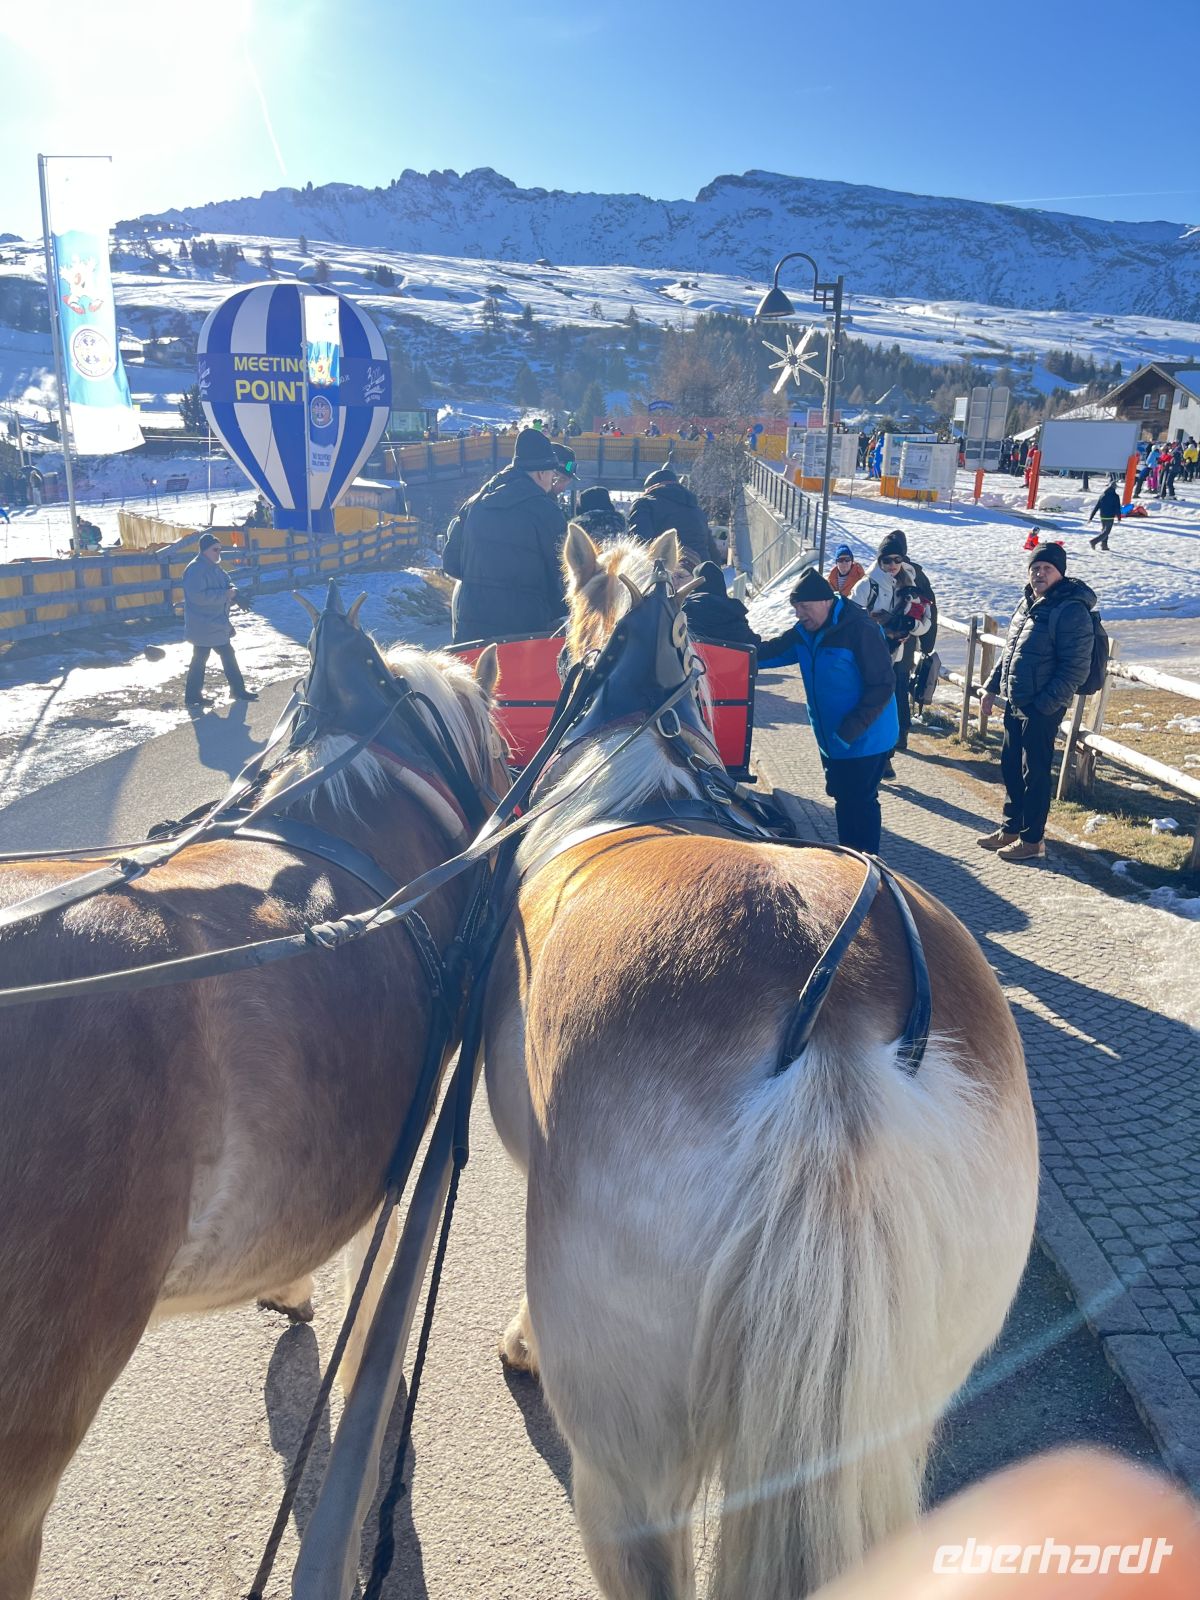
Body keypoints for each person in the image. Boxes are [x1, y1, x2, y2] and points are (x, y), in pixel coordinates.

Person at [757, 568, 898, 853]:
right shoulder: (803, 634)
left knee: (860, 801)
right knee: (843, 797)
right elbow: (766, 653)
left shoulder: (860, 629)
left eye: (805, 608)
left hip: (865, 737)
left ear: (826, 601)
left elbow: (882, 685)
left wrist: (850, 729)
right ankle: (850, 856)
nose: (800, 614)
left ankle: (869, 863)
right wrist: (723, 650)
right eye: (796, 609)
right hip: (833, 738)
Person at [978, 543, 1097, 863]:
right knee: (1011, 767)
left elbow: (1076, 667)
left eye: (1047, 568)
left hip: (1042, 707)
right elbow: (1010, 652)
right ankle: (1011, 828)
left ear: (1060, 572)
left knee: (1035, 773)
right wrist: (991, 687)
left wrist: (1043, 705)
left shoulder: (1071, 609)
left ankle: (1033, 840)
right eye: (1035, 567)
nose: (1039, 573)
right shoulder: (1028, 602)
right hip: (1017, 701)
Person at [441, 425, 567, 644]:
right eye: (552, 475)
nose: (551, 482)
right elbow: (564, 575)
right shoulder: (547, 511)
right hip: (528, 634)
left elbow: (451, 563)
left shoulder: (475, 503)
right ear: (541, 473)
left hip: (472, 635)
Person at [852, 531, 933, 759]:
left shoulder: (913, 581)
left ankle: (887, 753)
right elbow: (851, 620)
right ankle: (866, 752)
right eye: (887, 560)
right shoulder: (867, 585)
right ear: (879, 561)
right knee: (869, 701)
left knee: (893, 700)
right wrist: (882, 629)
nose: (893, 564)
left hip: (900, 654)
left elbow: (926, 620)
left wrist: (911, 628)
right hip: (870, 655)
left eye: (898, 559)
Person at [181, 532, 257, 709]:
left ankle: (196, 696)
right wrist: (225, 595)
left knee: (208, 657)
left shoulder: (214, 567)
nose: (218, 553)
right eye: (215, 549)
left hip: (216, 622)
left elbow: (227, 583)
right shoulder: (195, 570)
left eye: (219, 549)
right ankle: (233, 691)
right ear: (204, 550)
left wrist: (236, 594)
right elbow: (197, 597)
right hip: (203, 623)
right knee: (212, 657)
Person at [627, 465, 721, 566]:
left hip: (666, 573)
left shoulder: (644, 504)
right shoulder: (695, 509)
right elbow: (712, 550)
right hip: (700, 571)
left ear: (648, 488)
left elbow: (639, 543)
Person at [681, 562, 760, 647]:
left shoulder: (685, 607)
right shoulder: (733, 608)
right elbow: (752, 643)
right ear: (721, 582)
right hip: (739, 658)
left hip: (698, 658)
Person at [1088, 479, 1123, 549]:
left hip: (1102, 516)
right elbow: (1117, 508)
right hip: (1110, 516)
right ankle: (1094, 541)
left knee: (1104, 531)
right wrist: (1119, 518)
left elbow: (1097, 506)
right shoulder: (1116, 496)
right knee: (1106, 532)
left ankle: (1104, 546)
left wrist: (1091, 517)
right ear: (1115, 488)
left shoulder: (1102, 495)